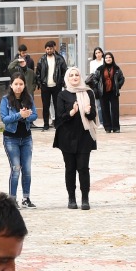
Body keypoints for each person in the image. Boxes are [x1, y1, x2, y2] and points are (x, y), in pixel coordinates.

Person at [51, 67, 97, 210]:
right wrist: (71, 112)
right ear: (67, 78)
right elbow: (58, 118)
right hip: (67, 137)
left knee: (83, 168)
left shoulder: (88, 92)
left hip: (84, 136)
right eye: (71, 75)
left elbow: (93, 116)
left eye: (77, 74)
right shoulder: (63, 95)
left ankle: (85, 198)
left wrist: (89, 112)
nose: (75, 77)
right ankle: (71, 198)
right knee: (70, 168)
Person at [0, 74, 38, 207]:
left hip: (26, 137)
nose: (18, 87)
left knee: (27, 169)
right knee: (16, 168)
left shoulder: (29, 98)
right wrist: (19, 115)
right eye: (16, 84)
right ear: (11, 85)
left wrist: (27, 116)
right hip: (11, 138)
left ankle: (26, 199)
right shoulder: (5, 100)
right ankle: (12, 200)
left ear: (24, 85)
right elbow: (4, 119)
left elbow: (35, 115)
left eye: (21, 84)